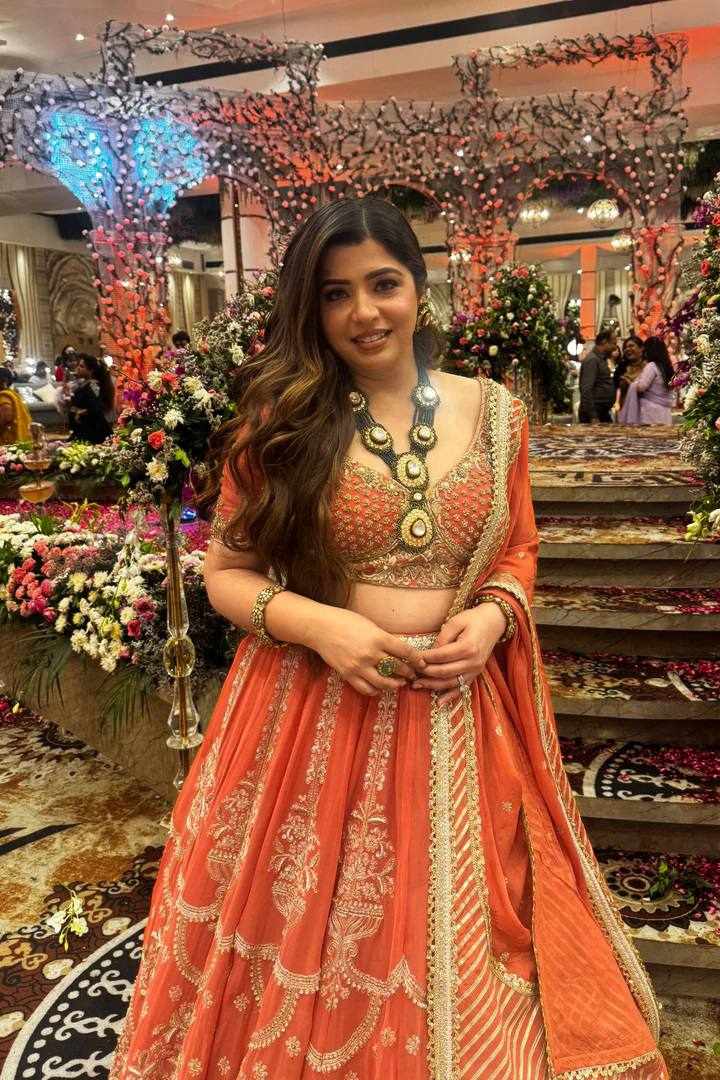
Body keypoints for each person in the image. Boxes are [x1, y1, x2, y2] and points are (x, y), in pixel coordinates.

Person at [110, 198, 667, 1080]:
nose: (364, 313)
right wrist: (324, 625)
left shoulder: (497, 415)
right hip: (314, 713)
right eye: (336, 294)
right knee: (317, 928)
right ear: (311, 307)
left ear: (418, 286)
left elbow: (518, 549)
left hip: (460, 715)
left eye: (383, 284)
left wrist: (493, 615)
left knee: (474, 927)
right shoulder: (281, 423)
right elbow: (225, 574)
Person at [619, 336, 674, 426]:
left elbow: (642, 387)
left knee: (651, 435)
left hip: (651, 411)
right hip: (665, 410)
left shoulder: (652, 366)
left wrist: (631, 383)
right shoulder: (667, 367)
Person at [67, 354, 114, 444]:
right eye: (78, 365)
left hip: (92, 431)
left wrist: (80, 412)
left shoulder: (93, 385)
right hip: (82, 429)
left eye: (82, 366)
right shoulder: (85, 383)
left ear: (91, 370)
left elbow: (97, 407)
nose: (78, 368)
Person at [578, 329, 617, 423]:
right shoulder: (593, 360)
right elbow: (586, 389)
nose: (615, 347)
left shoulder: (601, 359)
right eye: (613, 344)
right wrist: (593, 416)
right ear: (604, 342)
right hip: (594, 413)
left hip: (601, 412)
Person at [613, 335, 645, 413]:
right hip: (625, 410)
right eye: (625, 347)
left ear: (641, 348)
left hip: (645, 410)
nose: (627, 349)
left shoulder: (649, 366)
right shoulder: (621, 368)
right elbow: (615, 387)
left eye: (631, 346)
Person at [0, 366, 32, 444]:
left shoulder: (4, 397)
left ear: (3, 381)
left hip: (9, 441)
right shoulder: (11, 393)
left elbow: (6, 418)